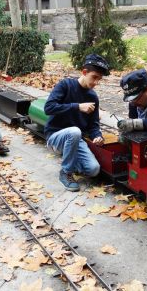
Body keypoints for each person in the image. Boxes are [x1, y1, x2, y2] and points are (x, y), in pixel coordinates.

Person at [44, 54, 109, 191]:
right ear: (84, 72)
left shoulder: (93, 97)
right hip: (55, 136)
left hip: (76, 139)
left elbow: (93, 125)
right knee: (74, 131)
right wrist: (77, 106)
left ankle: (71, 160)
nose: (96, 82)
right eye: (94, 77)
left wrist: (98, 136)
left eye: (99, 79)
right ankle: (66, 172)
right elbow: (48, 108)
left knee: (94, 170)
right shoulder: (65, 85)